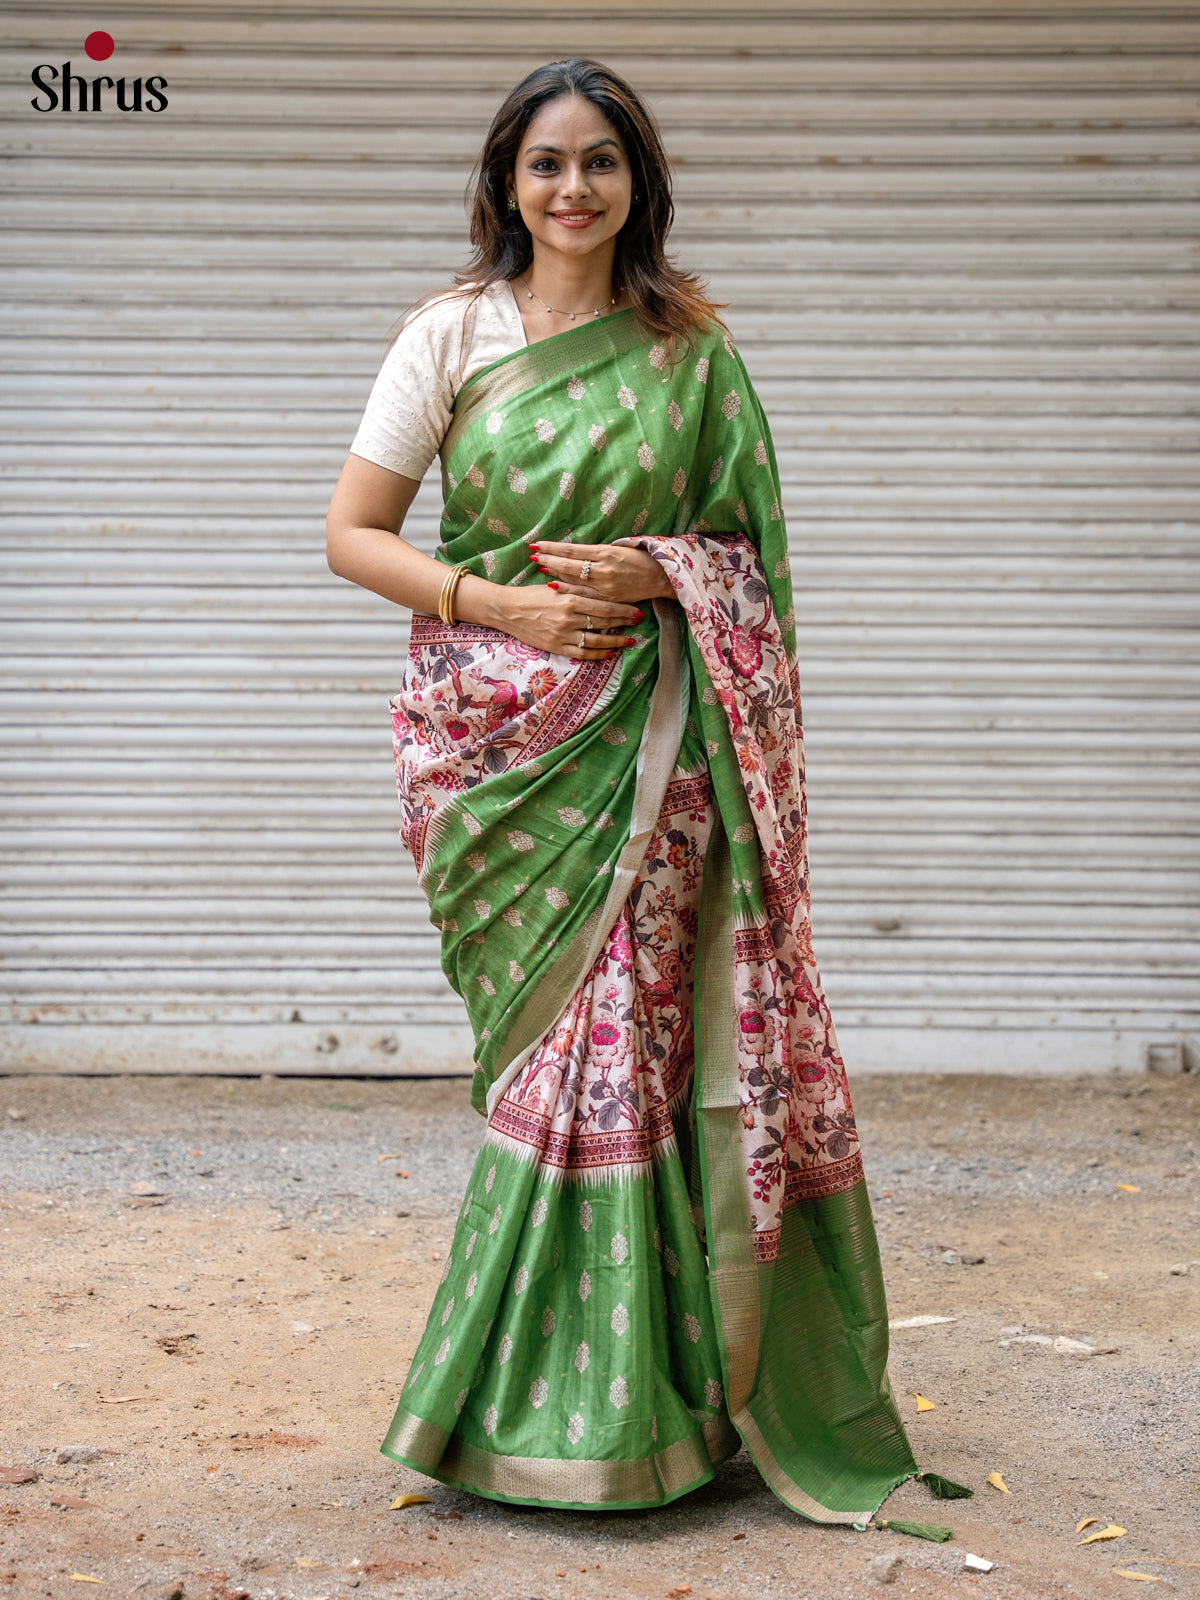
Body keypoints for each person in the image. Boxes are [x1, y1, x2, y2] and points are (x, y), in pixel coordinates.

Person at [326, 58, 937, 1526]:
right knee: (548, 1050)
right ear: (508, 180)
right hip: (498, 750)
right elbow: (355, 533)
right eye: (547, 162)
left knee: (634, 1050)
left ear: (637, 185)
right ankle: (553, 1396)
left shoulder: (692, 352)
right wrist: (505, 606)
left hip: (657, 741)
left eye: (600, 161)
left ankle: (654, 1402)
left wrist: (668, 574)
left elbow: (748, 558)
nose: (573, 188)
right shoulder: (450, 334)